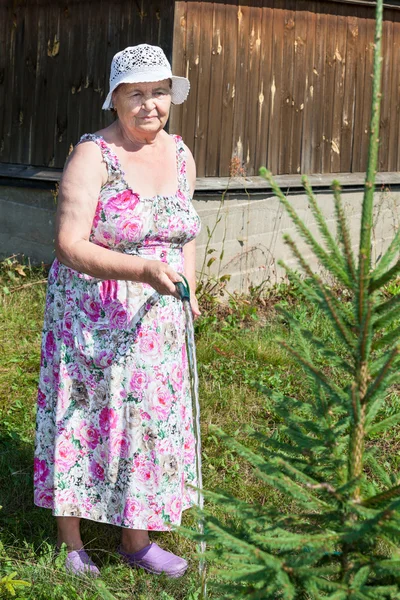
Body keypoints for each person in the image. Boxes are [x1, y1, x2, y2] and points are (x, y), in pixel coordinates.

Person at [34, 44, 201, 579]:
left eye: (159, 92)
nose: (150, 104)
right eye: (137, 94)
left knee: (146, 424)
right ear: (115, 100)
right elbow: (68, 243)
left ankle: (136, 537)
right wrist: (144, 272)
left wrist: (189, 287)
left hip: (156, 324)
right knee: (82, 417)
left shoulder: (180, 155)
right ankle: (72, 541)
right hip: (92, 318)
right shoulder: (93, 156)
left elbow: (185, 234)